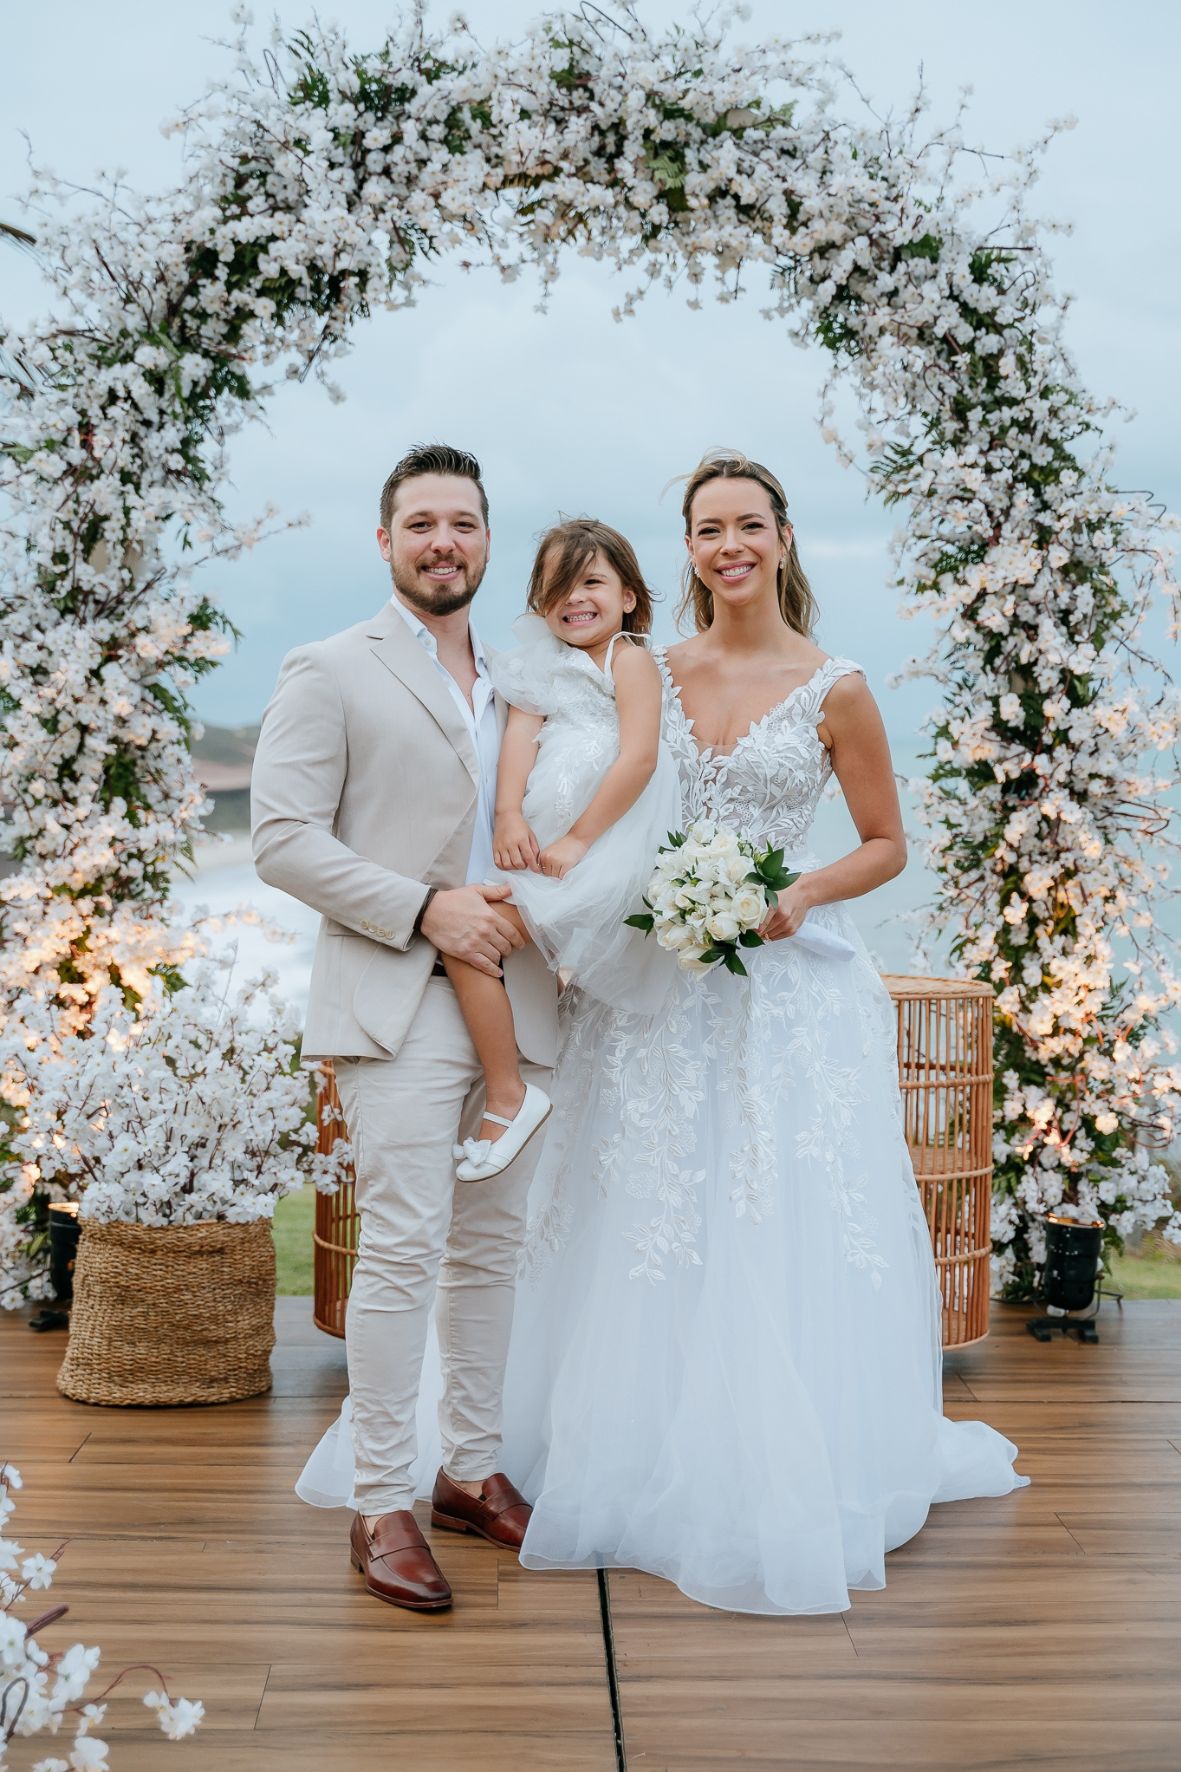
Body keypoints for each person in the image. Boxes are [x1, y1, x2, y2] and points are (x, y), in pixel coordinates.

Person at [503, 449, 1028, 1615]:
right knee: (640, 1205)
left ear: (782, 538)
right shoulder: (642, 667)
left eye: (747, 524)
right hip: (656, 983)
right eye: (705, 528)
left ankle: (780, 1467)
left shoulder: (833, 685)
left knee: (769, 1210)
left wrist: (798, 892)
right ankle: (614, 1453)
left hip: (787, 986)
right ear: (683, 550)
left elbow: (886, 841)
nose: (727, 544)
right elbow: (569, 773)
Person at [252, 443, 559, 1613]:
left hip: (522, 997)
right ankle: (378, 1497)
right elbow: (281, 837)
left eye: (464, 523)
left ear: (488, 539)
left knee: (491, 1248)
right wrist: (424, 906)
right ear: (385, 541)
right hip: (395, 990)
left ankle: (467, 1470)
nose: (445, 541)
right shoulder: (329, 667)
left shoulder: (527, 678)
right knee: (401, 1246)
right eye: (421, 522)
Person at [444, 517, 681, 1183]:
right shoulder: (540, 665)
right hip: (544, 852)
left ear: (629, 595)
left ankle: (509, 1096)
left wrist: (580, 839)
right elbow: (519, 738)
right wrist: (509, 814)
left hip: (604, 852)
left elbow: (637, 757)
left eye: (591, 582)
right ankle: (510, 1090)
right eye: (556, 588)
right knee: (470, 939)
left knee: (472, 940)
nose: (574, 599)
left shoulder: (627, 659)